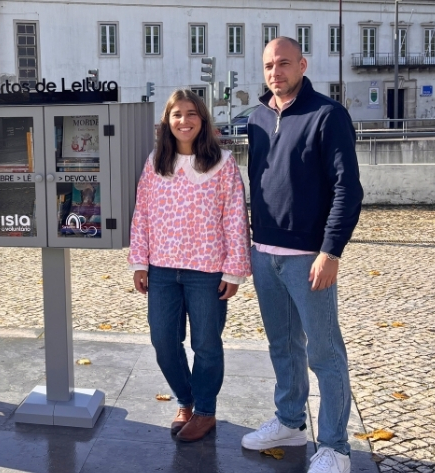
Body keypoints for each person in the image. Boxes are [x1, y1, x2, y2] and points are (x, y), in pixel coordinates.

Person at [241, 37, 363, 473]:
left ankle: (335, 447)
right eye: (269, 65)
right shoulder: (256, 118)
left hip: (308, 257)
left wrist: (331, 251)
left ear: (302, 65)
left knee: (324, 353)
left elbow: (348, 188)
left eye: (284, 63)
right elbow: (260, 182)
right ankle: (290, 422)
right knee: (282, 345)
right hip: (264, 253)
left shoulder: (327, 115)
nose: (276, 72)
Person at [128, 89, 251, 443]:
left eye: (192, 113)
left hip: (207, 270)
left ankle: (205, 411)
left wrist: (234, 270)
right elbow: (142, 214)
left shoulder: (223, 163)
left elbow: (234, 218)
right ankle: (186, 400)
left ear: (203, 119)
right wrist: (139, 262)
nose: (184, 121)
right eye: (177, 114)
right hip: (162, 269)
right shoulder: (155, 163)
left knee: (206, 345)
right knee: (163, 340)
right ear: (167, 121)